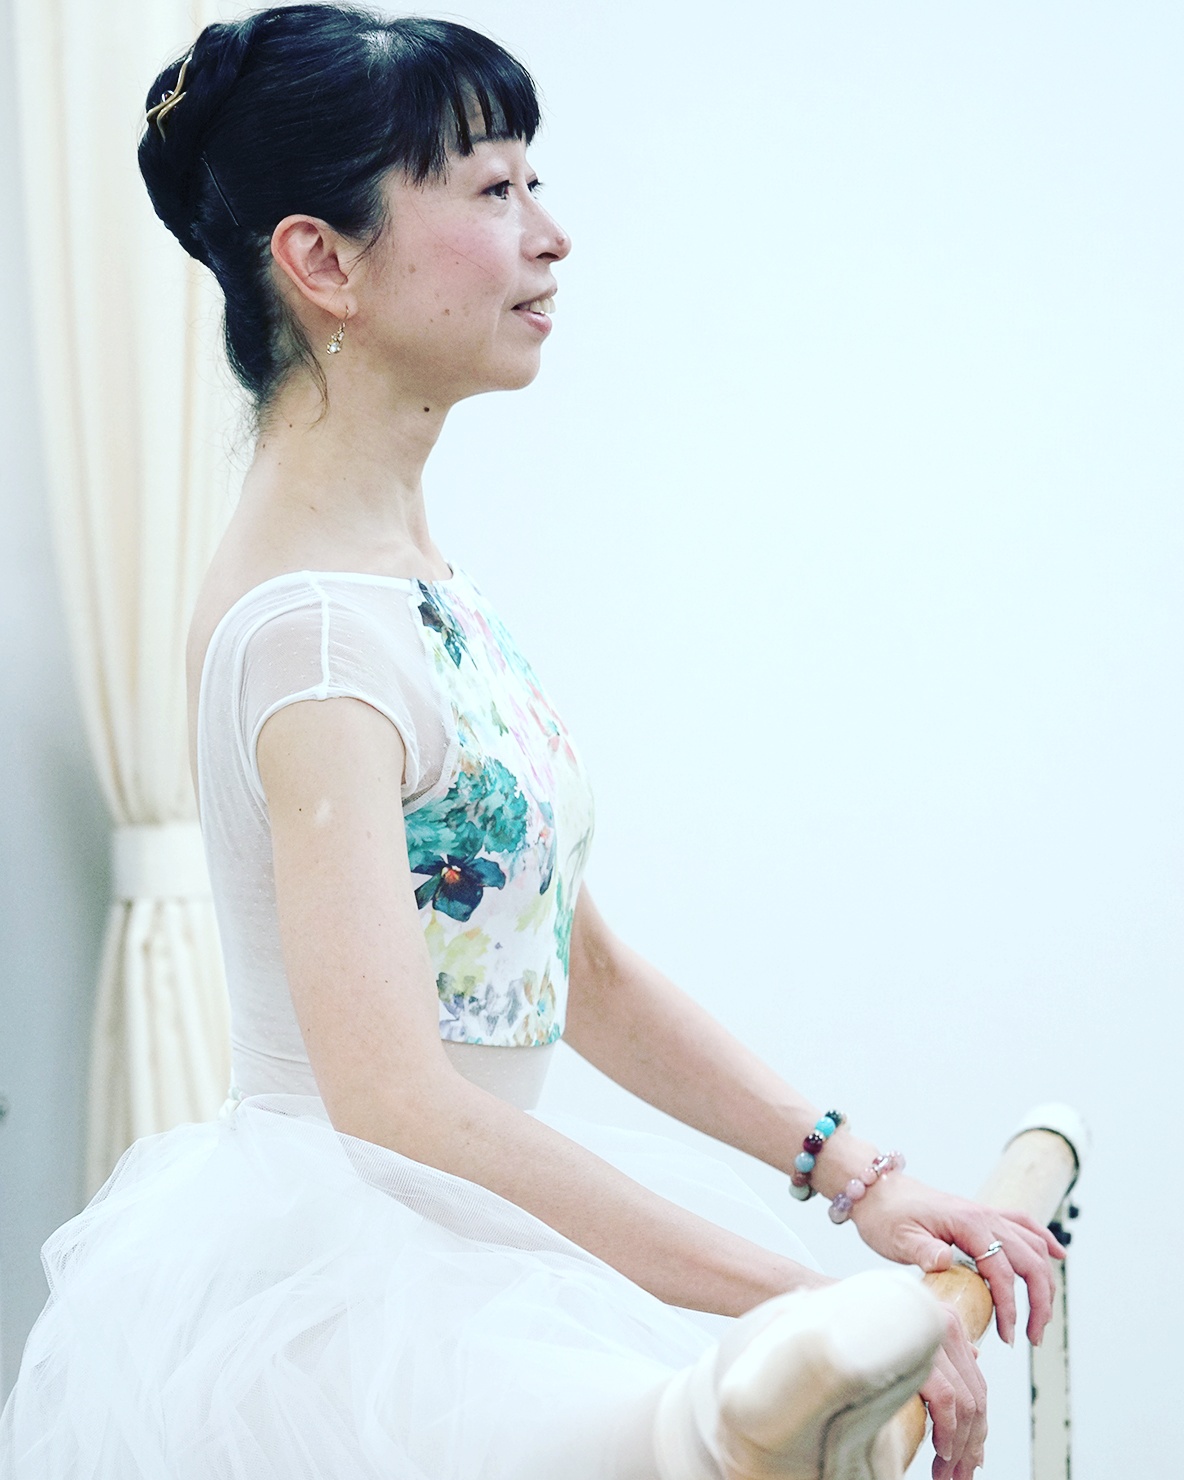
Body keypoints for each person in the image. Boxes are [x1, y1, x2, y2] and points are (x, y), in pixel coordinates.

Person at [0, 7, 1063, 1478]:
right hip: (353, 1318)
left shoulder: (408, 577)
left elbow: (576, 966)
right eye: (494, 190)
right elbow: (396, 1102)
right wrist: (808, 1305)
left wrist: (856, 1175)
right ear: (323, 261)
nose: (550, 237)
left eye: (534, 183)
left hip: (458, 1257)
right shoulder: (313, 635)